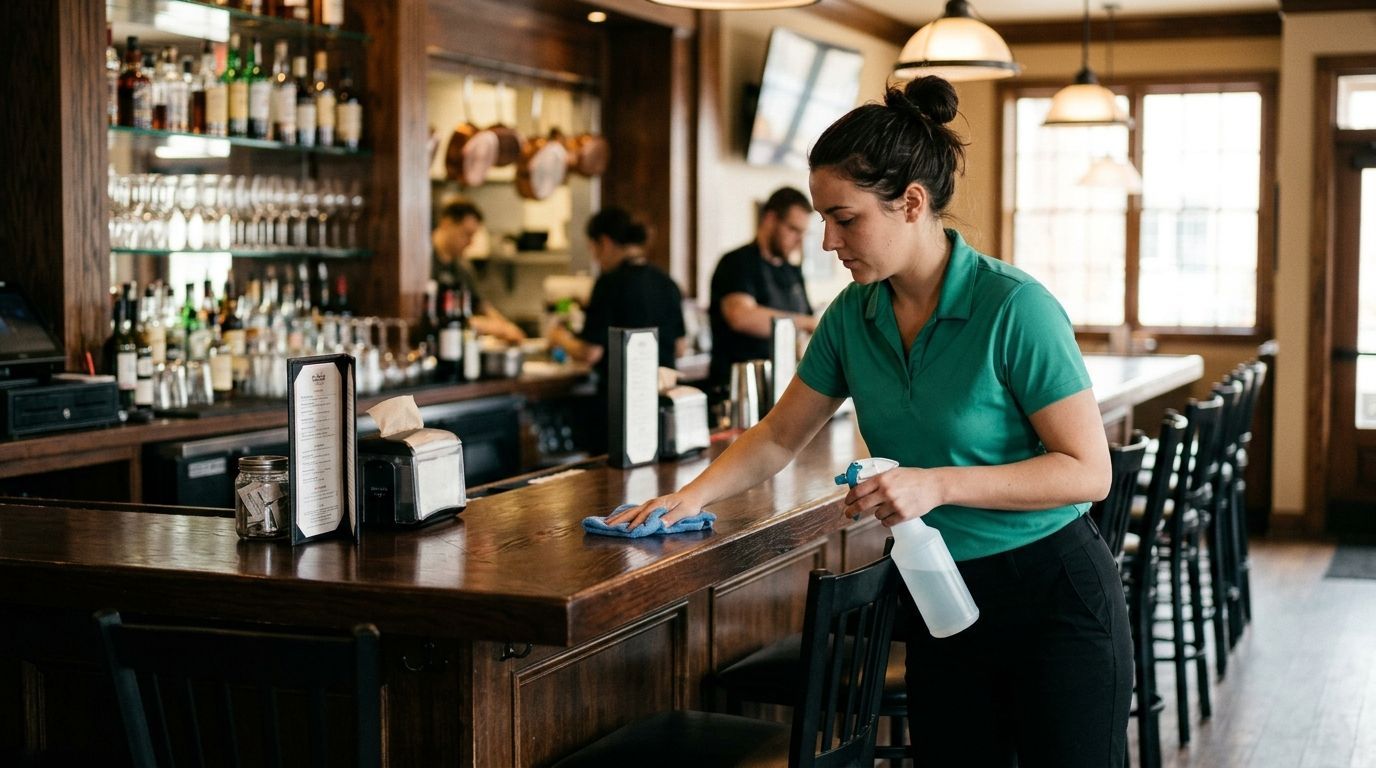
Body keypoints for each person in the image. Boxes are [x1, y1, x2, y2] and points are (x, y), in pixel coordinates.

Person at [609, 77, 1130, 767]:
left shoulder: (1014, 308)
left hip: (1053, 599)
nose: (826, 239)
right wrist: (689, 497)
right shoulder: (853, 318)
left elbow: (1087, 473)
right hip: (940, 597)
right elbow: (777, 435)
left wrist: (937, 486)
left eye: (844, 217)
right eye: (822, 218)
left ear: (911, 203)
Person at [548, 208, 686, 451]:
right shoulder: (666, 282)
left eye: (593, 249)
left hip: (620, 408)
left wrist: (559, 337)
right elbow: (680, 347)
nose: (595, 258)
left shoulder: (609, 283)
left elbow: (591, 352)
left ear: (605, 242)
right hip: (661, 402)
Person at [707, 186, 818, 394]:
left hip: (781, 389)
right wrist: (806, 323)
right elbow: (740, 316)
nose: (799, 241)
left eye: (803, 233)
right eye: (793, 230)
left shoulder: (792, 271)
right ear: (770, 219)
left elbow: (805, 331)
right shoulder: (737, 263)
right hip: (738, 390)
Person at [431, 200, 525, 344]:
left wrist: (506, 327)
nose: (470, 242)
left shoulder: (462, 268)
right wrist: (492, 327)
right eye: (466, 234)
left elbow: (481, 305)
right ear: (447, 224)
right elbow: (440, 318)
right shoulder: (421, 263)